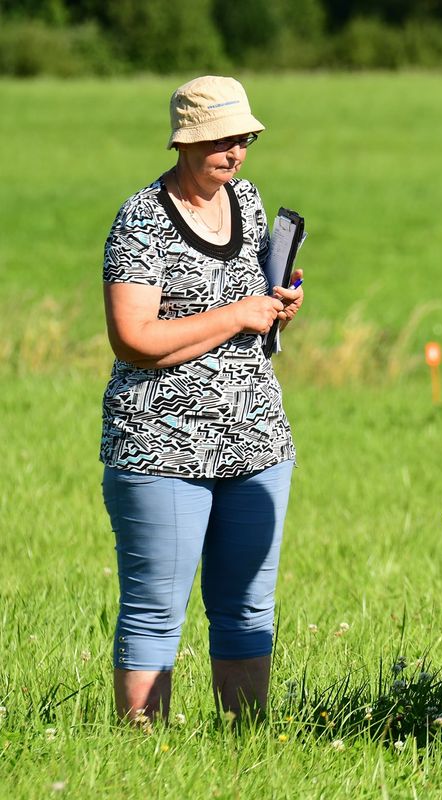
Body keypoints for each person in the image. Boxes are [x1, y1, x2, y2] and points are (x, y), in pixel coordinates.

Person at [99, 75, 304, 723]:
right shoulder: (140, 220)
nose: (236, 150)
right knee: (156, 610)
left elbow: (249, 305)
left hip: (257, 440)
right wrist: (237, 315)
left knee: (247, 606)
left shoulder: (246, 198)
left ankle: (245, 748)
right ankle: (141, 758)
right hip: (161, 445)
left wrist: (276, 307)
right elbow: (133, 338)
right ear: (185, 140)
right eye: (221, 138)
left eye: (244, 136)